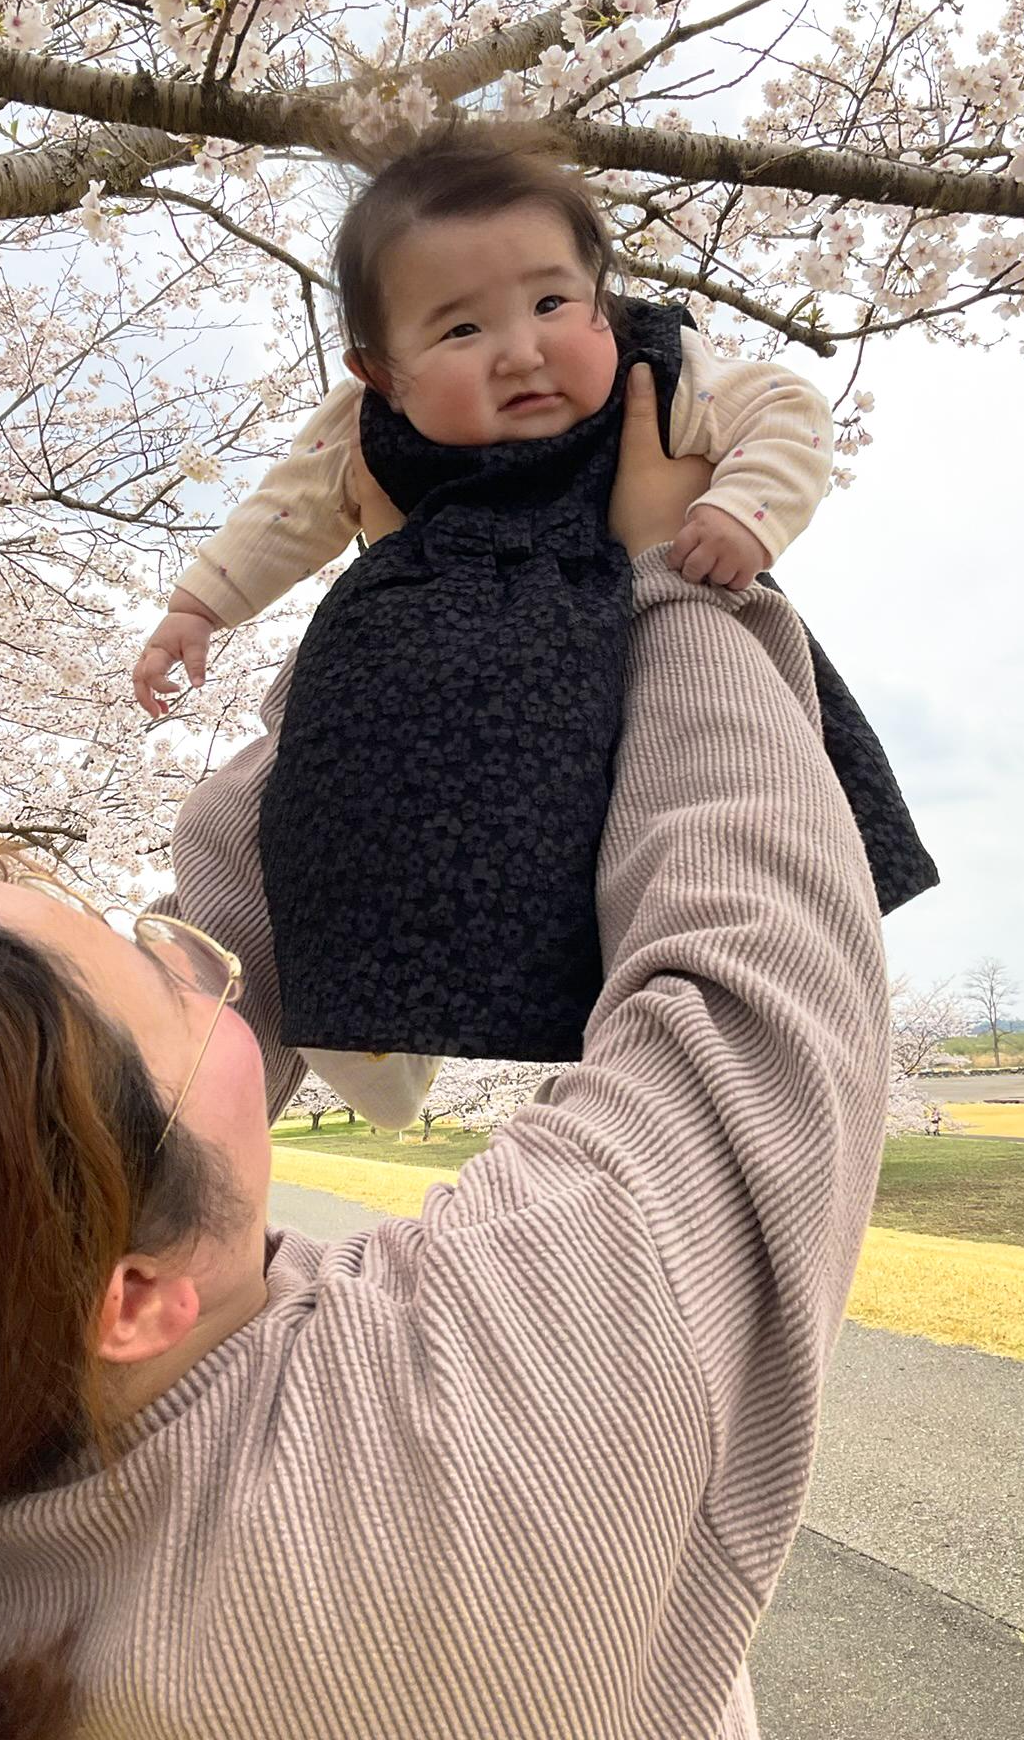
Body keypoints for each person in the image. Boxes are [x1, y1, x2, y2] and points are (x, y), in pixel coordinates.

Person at [0, 372, 891, 1740]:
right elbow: (751, 994)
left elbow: (232, 954)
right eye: (154, 984)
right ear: (136, 1294)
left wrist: (400, 607)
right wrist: (667, 574)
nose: (185, 949)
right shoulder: (463, 1419)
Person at [133, 126, 934, 1125]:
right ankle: (360, 1015)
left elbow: (786, 409)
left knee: (652, 830)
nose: (522, 351)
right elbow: (287, 509)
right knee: (259, 808)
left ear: (604, 295)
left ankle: (633, 1043)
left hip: (620, 643)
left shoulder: (665, 371)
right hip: (414, 668)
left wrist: (742, 511)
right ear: (382, 370)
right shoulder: (364, 427)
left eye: (554, 303)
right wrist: (197, 605)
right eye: (460, 331)